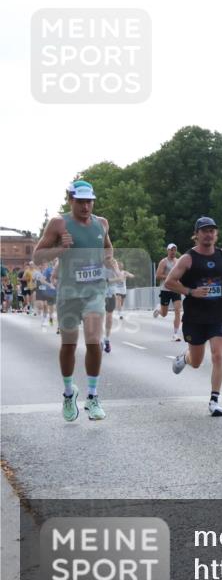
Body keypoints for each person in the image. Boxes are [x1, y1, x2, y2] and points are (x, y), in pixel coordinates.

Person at [33, 180, 113, 421]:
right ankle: (69, 393)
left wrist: (106, 260)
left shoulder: (102, 223)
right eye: (80, 201)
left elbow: (108, 248)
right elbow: (37, 256)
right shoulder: (58, 223)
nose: (86, 206)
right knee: (68, 346)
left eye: (89, 201)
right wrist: (60, 249)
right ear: (71, 200)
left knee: (93, 341)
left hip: (94, 292)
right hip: (68, 293)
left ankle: (92, 396)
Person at [165, 216, 222, 416]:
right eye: (204, 231)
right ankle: (185, 357)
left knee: (217, 355)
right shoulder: (188, 258)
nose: (209, 234)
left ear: (216, 234)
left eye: (212, 231)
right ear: (196, 235)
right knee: (197, 362)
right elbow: (169, 282)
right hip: (196, 315)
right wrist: (191, 292)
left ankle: (214, 400)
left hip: (220, 312)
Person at [153, 244, 183, 341]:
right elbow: (157, 276)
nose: (173, 252)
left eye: (174, 250)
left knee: (178, 311)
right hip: (165, 289)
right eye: (171, 250)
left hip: (176, 289)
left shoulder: (178, 262)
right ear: (168, 251)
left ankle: (175, 334)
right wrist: (170, 277)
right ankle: (158, 309)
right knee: (164, 313)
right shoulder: (164, 262)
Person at [102, 260, 124, 352]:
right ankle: (98, 339)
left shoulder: (114, 263)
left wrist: (108, 280)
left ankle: (106, 339)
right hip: (98, 292)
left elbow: (121, 278)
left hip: (111, 293)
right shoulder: (97, 260)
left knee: (109, 317)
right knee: (98, 317)